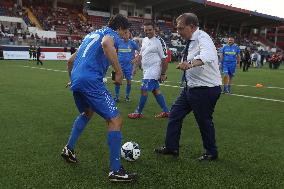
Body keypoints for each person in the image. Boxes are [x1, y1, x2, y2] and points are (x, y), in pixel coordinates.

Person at [60, 14, 137, 182]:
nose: (126, 35)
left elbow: (71, 61)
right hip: (91, 81)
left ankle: (69, 149)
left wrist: (73, 79)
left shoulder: (91, 35)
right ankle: (115, 171)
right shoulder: (111, 35)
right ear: (120, 29)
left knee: (87, 113)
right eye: (127, 32)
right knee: (115, 121)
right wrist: (118, 71)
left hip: (78, 80)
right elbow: (107, 44)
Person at [154, 13, 222, 161]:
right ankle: (171, 147)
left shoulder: (203, 38)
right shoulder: (191, 40)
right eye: (177, 28)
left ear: (192, 27)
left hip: (205, 89)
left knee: (204, 121)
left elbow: (208, 55)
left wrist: (190, 64)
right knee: (174, 114)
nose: (178, 31)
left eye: (181, 28)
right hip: (191, 88)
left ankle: (211, 152)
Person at [128, 22, 170, 119]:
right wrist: (135, 68)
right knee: (156, 91)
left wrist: (163, 73)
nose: (148, 32)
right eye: (146, 30)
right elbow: (140, 55)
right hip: (146, 70)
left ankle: (138, 112)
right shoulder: (145, 40)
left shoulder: (159, 41)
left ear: (155, 30)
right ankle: (166, 112)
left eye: (150, 30)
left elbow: (164, 59)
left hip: (154, 70)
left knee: (144, 89)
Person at [114, 30, 139, 102]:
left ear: (129, 34)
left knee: (129, 82)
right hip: (119, 66)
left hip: (129, 67)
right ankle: (116, 97)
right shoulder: (118, 42)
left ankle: (127, 96)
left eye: (126, 33)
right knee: (117, 81)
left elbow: (140, 51)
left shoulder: (132, 43)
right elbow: (112, 49)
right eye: (124, 33)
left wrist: (136, 58)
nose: (125, 35)